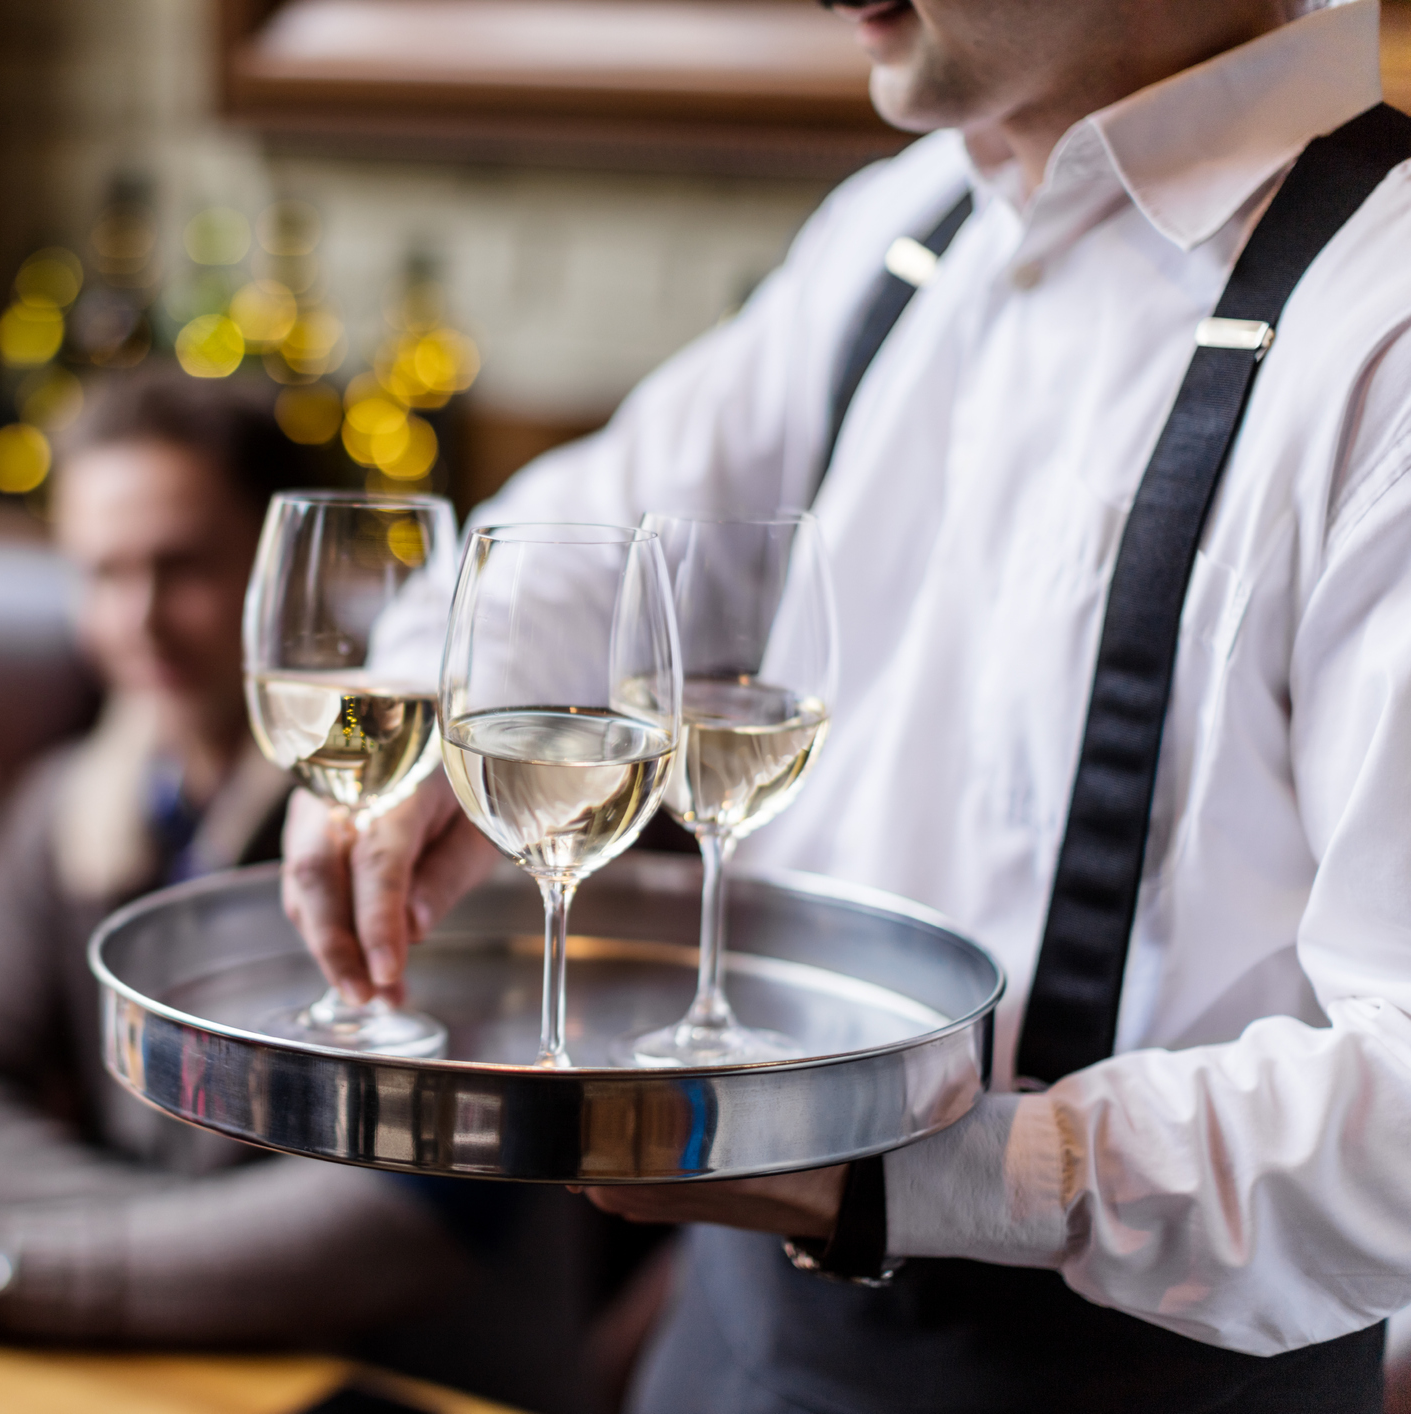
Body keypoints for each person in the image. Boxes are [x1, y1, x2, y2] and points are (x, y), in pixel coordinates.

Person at [278, 2, 1411, 1410]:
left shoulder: (1390, 332)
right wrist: (439, 708)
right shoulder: (909, 225)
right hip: (738, 1340)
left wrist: (922, 1174)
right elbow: (588, 531)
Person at [0, 368, 613, 1411]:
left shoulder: (438, 817)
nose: (140, 620)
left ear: (287, 587)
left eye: (182, 568)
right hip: (179, 1378)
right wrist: (204, 1258)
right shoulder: (67, 808)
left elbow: (393, 1233)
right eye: (101, 574)